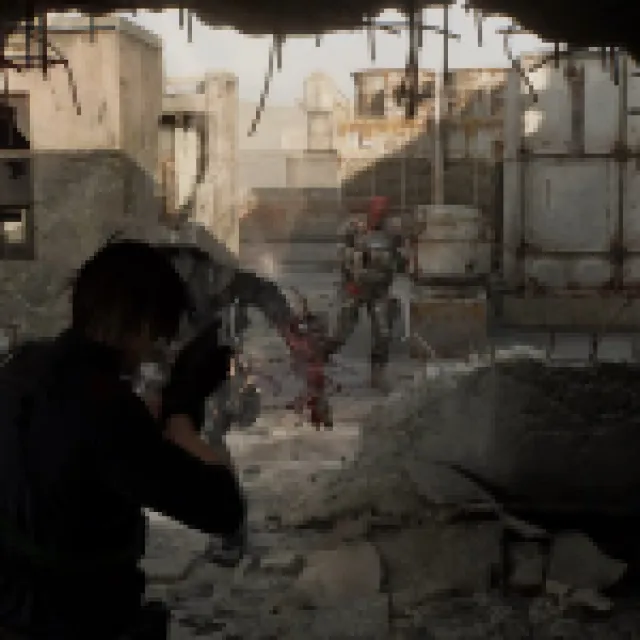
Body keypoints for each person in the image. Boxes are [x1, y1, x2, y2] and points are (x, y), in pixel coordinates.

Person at [0, 240, 245, 640]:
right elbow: (223, 509)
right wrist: (181, 416)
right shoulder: (104, 406)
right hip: (76, 620)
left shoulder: (20, 370)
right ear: (143, 324)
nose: (155, 350)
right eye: (158, 335)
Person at [327, 195, 410, 391]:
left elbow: (403, 257)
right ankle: (317, 367)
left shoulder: (392, 230)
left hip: (380, 288)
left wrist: (393, 260)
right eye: (376, 212)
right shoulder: (352, 227)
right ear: (369, 211)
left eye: (383, 213)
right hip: (354, 287)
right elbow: (340, 254)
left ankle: (377, 375)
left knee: (383, 333)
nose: (379, 217)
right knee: (340, 332)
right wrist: (358, 261)